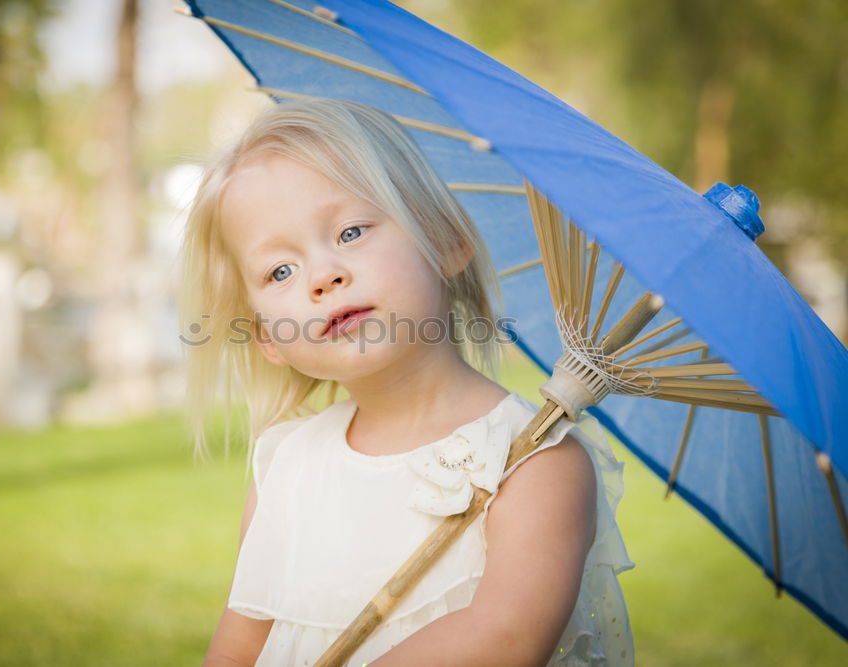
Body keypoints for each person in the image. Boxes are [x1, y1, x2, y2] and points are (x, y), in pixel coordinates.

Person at [180, 98, 634, 666]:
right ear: (266, 337)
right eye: (280, 271)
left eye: (350, 232)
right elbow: (242, 640)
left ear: (444, 241)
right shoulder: (288, 467)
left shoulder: (534, 462)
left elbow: (508, 636)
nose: (323, 276)